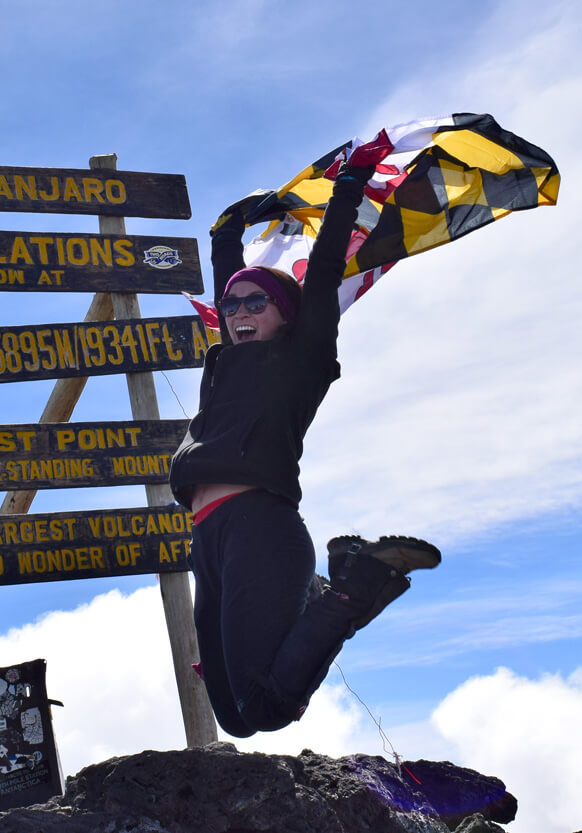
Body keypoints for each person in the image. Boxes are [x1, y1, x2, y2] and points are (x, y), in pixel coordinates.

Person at [169, 158, 442, 737]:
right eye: (232, 305)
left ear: (285, 316)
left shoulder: (302, 359)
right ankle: (332, 584)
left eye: (255, 304)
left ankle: (357, 579)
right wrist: (226, 232)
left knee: (265, 707)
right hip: (208, 540)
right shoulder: (225, 363)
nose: (239, 312)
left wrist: (347, 190)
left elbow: (321, 276)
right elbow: (227, 281)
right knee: (234, 719)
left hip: (259, 529)